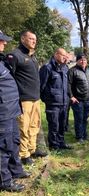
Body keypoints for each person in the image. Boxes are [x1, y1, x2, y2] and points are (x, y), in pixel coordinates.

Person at [7, 30, 47, 165]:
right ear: (23, 39)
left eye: (35, 39)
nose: (34, 41)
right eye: (31, 39)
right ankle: (24, 155)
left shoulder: (32, 56)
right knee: (23, 127)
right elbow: (9, 78)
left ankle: (31, 149)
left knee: (34, 125)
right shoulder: (15, 55)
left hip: (35, 98)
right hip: (23, 99)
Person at [0, 31, 30, 192]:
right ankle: (4, 181)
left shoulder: (2, 61)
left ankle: (16, 171)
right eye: (2, 41)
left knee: (13, 142)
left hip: (11, 110)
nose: (4, 44)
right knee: (3, 147)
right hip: (3, 112)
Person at [39, 48, 73, 150]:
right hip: (53, 103)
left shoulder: (65, 68)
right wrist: (47, 99)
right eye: (63, 55)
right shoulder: (47, 68)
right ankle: (54, 145)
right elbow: (41, 86)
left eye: (66, 56)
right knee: (54, 125)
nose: (65, 57)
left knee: (62, 124)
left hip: (64, 102)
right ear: (56, 54)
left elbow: (66, 85)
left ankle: (61, 142)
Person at [68, 53, 89, 143]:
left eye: (84, 60)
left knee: (85, 118)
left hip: (88, 99)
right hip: (78, 100)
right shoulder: (72, 71)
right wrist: (71, 96)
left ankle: (84, 134)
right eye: (81, 60)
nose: (83, 61)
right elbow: (68, 85)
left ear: (86, 61)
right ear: (77, 61)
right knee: (79, 118)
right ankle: (79, 136)